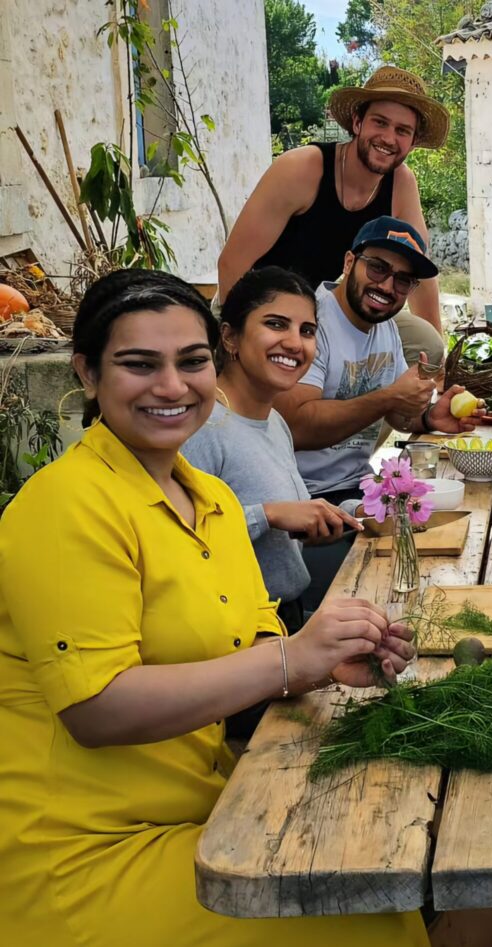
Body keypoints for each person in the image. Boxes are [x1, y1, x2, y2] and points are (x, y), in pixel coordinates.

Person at [0, 269, 425, 946]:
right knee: (366, 914)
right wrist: (291, 659)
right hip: (81, 853)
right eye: (140, 364)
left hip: (199, 806)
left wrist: (327, 660)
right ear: (87, 372)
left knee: (385, 875)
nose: (172, 386)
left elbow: (256, 639)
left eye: (191, 362)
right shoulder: (63, 506)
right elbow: (96, 707)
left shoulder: (213, 501)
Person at [275, 216, 482, 607]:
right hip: (305, 507)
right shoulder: (310, 323)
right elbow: (297, 427)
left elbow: (394, 413)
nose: (388, 286)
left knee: (463, 542)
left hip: (358, 491)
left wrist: (427, 418)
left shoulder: (381, 324)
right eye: (379, 268)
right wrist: (389, 397)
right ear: (350, 262)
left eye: (402, 280)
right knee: (409, 584)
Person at [218, 66, 449, 364]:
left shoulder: (401, 183)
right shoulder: (303, 168)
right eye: (380, 123)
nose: (389, 138)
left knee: (424, 341)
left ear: (413, 142)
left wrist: (439, 367)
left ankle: (376, 404)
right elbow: (232, 263)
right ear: (357, 122)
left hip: (318, 310)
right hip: (254, 305)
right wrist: (236, 347)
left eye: (402, 131)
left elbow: (419, 270)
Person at [182, 266, 361, 635]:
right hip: (236, 634)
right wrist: (268, 515)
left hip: (285, 617)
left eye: (307, 331)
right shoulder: (201, 426)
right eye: (276, 324)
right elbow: (178, 538)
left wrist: (355, 514)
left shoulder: (275, 422)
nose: (296, 343)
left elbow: (289, 514)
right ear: (229, 337)